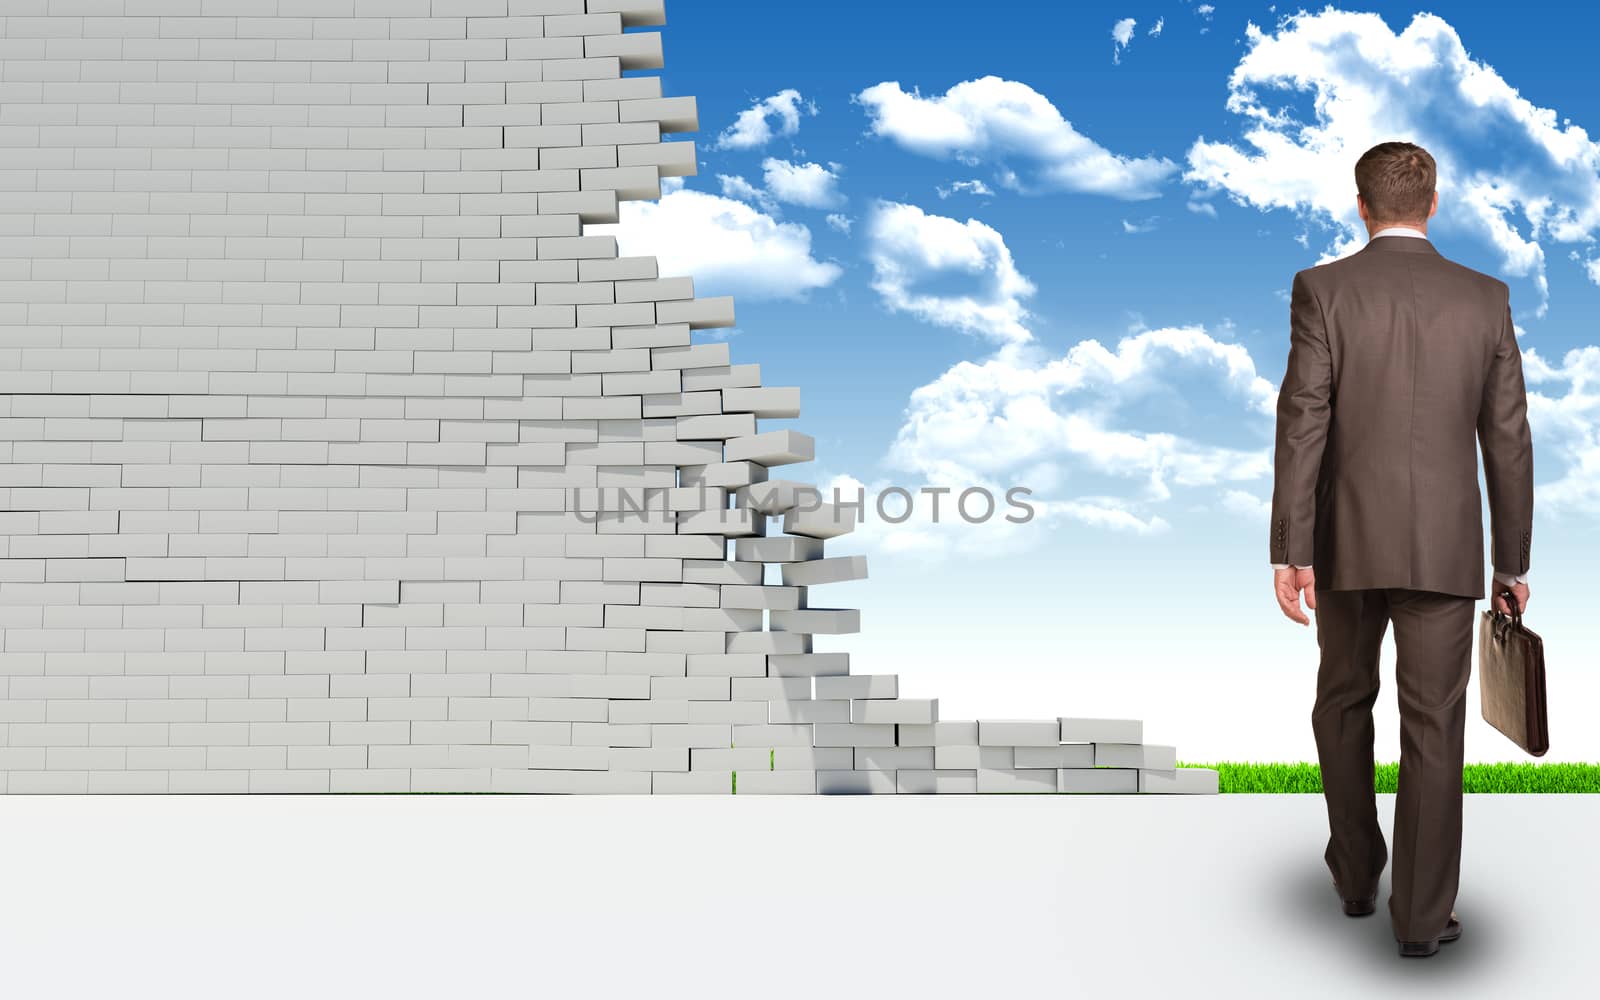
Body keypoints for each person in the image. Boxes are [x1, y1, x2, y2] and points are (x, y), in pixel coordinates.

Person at [1268, 140, 1534, 958]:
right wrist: (1511, 562)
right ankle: (1420, 921)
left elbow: (1303, 417)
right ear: (1434, 203)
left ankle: (1355, 875)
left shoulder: (1323, 289)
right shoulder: (1486, 298)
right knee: (1434, 727)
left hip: (1345, 543)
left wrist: (1291, 547)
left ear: (1361, 206)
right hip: (1448, 548)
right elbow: (1509, 437)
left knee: (1343, 702)